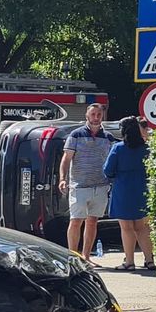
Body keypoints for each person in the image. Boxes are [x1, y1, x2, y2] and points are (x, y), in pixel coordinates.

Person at [58, 103, 115, 258]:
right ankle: (73, 256)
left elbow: (112, 161)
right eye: (93, 114)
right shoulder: (76, 135)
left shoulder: (108, 137)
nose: (96, 118)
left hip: (101, 186)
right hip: (79, 186)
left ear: (102, 116)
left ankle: (86, 256)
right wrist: (62, 179)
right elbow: (66, 158)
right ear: (87, 116)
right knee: (76, 221)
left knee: (93, 221)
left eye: (99, 114)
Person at [101, 118, 153, 271]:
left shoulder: (118, 148)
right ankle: (149, 260)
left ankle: (129, 261)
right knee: (142, 227)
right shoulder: (146, 149)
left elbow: (107, 170)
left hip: (123, 189)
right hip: (142, 189)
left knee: (126, 228)